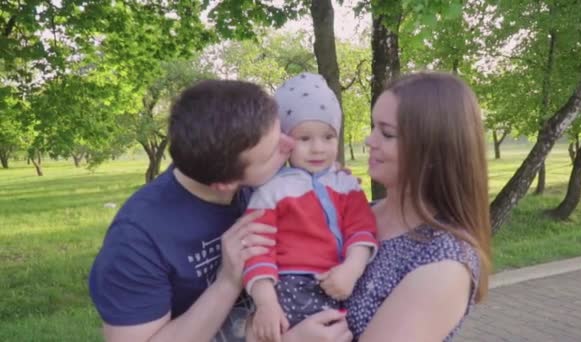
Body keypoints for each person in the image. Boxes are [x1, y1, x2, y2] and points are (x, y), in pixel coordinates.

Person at [88, 79, 352, 342]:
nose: (290, 144)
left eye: (281, 131)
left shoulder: (262, 185)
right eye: (273, 151)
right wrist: (228, 281)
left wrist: (329, 184)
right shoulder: (137, 241)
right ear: (224, 184)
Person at [344, 72, 492, 341]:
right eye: (373, 127)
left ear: (434, 149)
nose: (369, 141)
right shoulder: (358, 214)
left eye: (387, 133)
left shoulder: (444, 261)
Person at [243, 73, 378, 342]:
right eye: (304, 138)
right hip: (289, 288)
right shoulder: (271, 191)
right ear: (284, 141)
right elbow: (256, 250)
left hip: (342, 281)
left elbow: (362, 232)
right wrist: (266, 303)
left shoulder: (346, 185)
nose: (318, 148)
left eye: (328, 137)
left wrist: (352, 268)